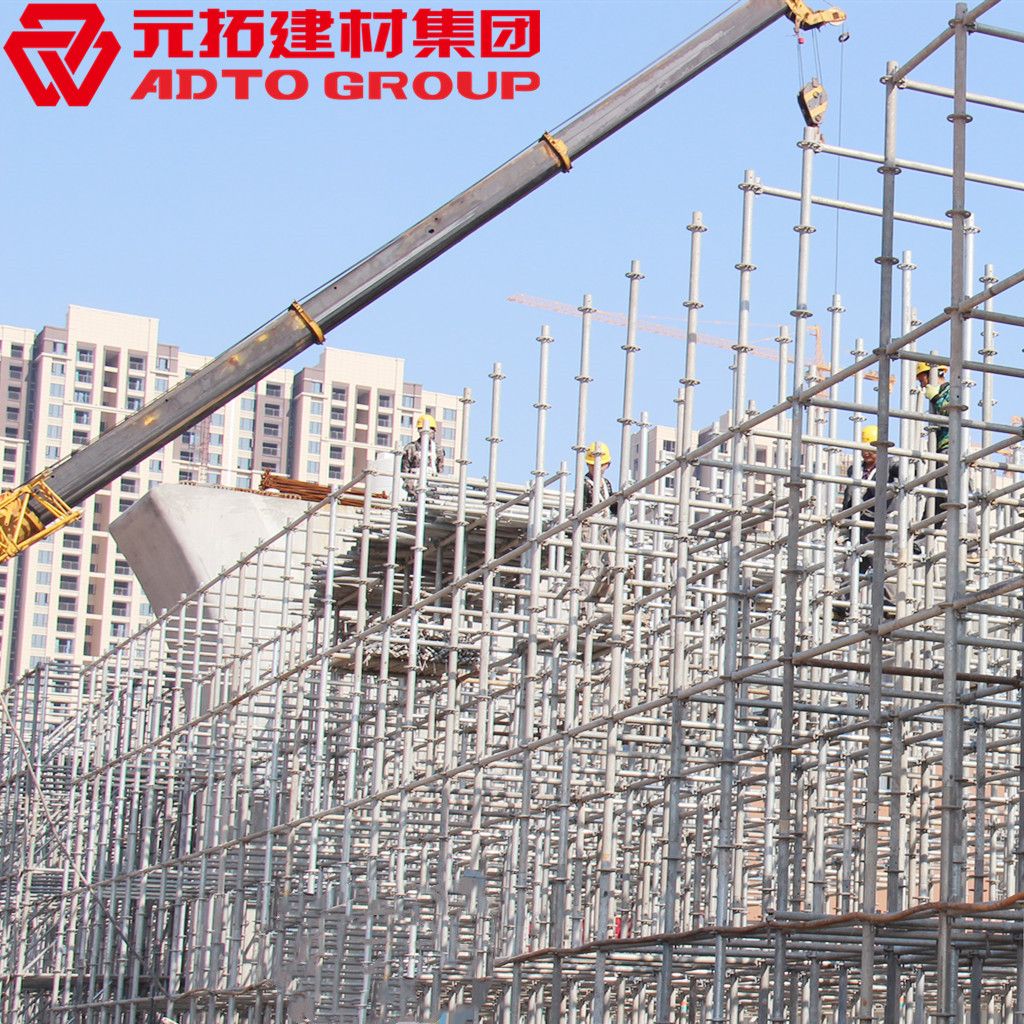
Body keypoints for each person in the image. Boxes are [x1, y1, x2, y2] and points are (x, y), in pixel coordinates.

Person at [835, 425, 898, 621]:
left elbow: (907, 471)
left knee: (883, 563)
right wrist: (844, 524)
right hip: (858, 523)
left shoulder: (890, 465)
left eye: (871, 448)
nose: (867, 453)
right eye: (864, 449)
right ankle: (842, 605)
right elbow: (849, 497)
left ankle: (890, 604)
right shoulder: (856, 469)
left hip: (880, 522)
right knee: (851, 564)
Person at [916, 361, 949, 517]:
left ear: (931, 375)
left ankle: (967, 529)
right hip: (937, 451)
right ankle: (925, 532)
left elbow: (953, 413)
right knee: (935, 498)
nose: (922, 386)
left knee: (955, 493)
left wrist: (936, 398)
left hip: (949, 447)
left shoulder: (952, 390)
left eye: (922, 380)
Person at [401, 413, 444, 498]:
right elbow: (404, 469)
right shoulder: (411, 448)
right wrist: (410, 484)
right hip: (414, 485)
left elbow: (440, 469)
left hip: (431, 486)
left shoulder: (438, 450)